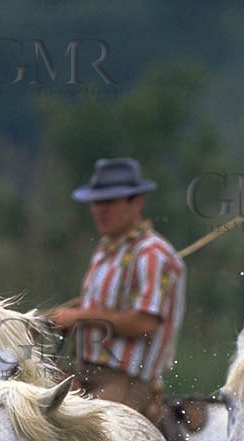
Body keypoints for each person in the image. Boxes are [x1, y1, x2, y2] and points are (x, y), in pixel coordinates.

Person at [46, 157, 184, 424]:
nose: (100, 210)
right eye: (96, 202)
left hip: (128, 381)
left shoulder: (153, 254)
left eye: (110, 202)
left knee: (85, 431)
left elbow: (145, 324)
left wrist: (79, 317)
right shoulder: (105, 251)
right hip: (86, 371)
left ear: (137, 202)